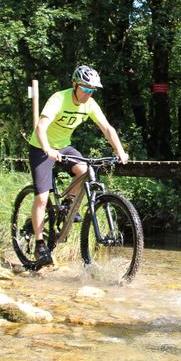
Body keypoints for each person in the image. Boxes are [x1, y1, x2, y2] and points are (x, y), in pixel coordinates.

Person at [28, 65, 129, 266]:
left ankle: (67, 206)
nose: (88, 94)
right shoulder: (59, 98)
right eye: (85, 88)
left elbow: (107, 128)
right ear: (74, 85)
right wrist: (47, 148)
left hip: (64, 147)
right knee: (42, 196)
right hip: (41, 147)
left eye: (92, 90)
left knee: (83, 170)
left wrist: (120, 151)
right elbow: (41, 126)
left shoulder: (90, 105)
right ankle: (40, 245)